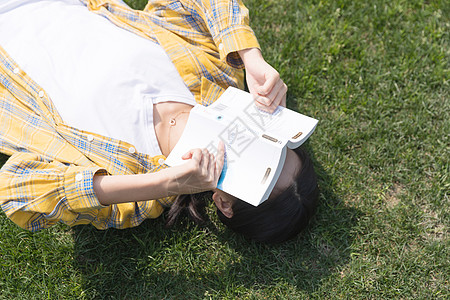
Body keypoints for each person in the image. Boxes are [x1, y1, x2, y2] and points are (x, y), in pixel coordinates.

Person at [0, 0, 318, 243]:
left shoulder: (134, 192)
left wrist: (167, 183)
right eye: (274, 145)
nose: (254, 143)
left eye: (259, 168)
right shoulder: (216, 78)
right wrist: (251, 58)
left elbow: (17, 192)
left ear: (224, 202)